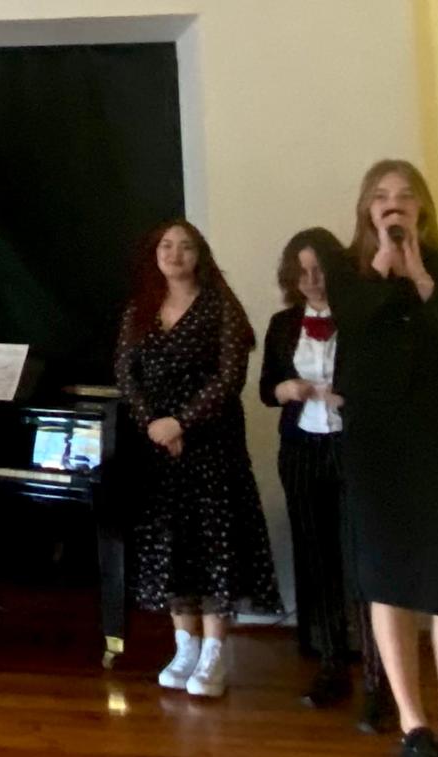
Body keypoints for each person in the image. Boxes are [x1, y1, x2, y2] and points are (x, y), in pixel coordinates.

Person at [324, 159, 438, 757]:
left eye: (405, 195)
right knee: (385, 574)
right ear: (366, 209)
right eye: (381, 196)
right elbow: (354, 327)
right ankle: (414, 726)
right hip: (376, 441)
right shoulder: (347, 271)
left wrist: (420, 276)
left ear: (423, 207)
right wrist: (382, 268)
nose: (393, 204)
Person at [114, 219, 281, 699]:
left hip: (212, 445)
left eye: (185, 246)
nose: (174, 253)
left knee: (213, 544)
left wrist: (181, 423)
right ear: (155, 255)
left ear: (200, 255)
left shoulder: (220, 307)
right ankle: (184, 646)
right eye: (166, 245)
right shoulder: (139, 309)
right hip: (157, 448)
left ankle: (213, 653)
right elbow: (125, 373)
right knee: (171, 544)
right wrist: (154, 424)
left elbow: (229, 377)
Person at [258, 226, 390, 725]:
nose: (311, 280)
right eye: (302, 272)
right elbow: (266, 389)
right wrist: (287, 389)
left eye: (319, 270)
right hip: (302, 451)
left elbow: (382, 384)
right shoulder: (282, 323)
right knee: (317, 559)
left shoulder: (360, 316)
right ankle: (332, 664)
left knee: (364, 561)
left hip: (353, 450)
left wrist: (349, 397)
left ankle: (378, 677)